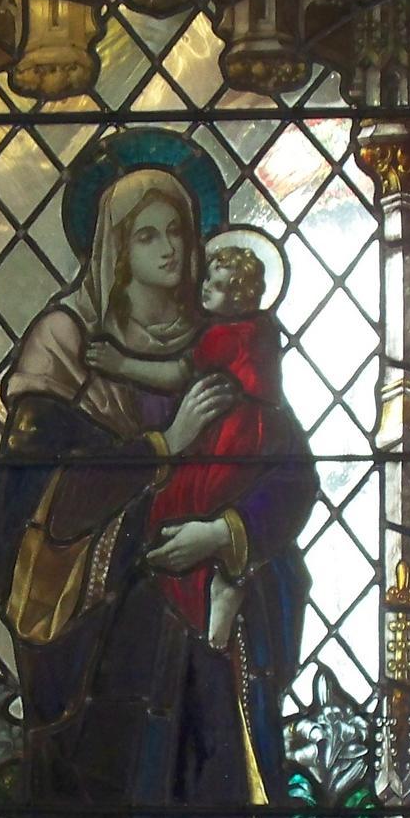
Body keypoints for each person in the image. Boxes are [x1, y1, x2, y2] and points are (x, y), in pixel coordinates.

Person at [0, 161, 318, 818]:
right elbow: (31, 493)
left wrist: (229, 534)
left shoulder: (227, 347)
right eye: (147, 235)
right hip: (91, 647)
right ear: (110, 248)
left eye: (179, 233)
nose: (169, 253)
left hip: (204, 632)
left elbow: (286, 471)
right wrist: (160, 455)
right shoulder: (67, 344)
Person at [86, 227, 290, 652]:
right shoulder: (262, 332)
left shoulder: (222, 337)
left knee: (189, 499)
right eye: (145, 236)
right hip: (239, 440)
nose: (169, 252)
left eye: (215, 287)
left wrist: (121, 364)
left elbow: (179, 374)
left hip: (232, 444)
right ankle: (219, 585)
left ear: (238, 298)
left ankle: (221, 585)